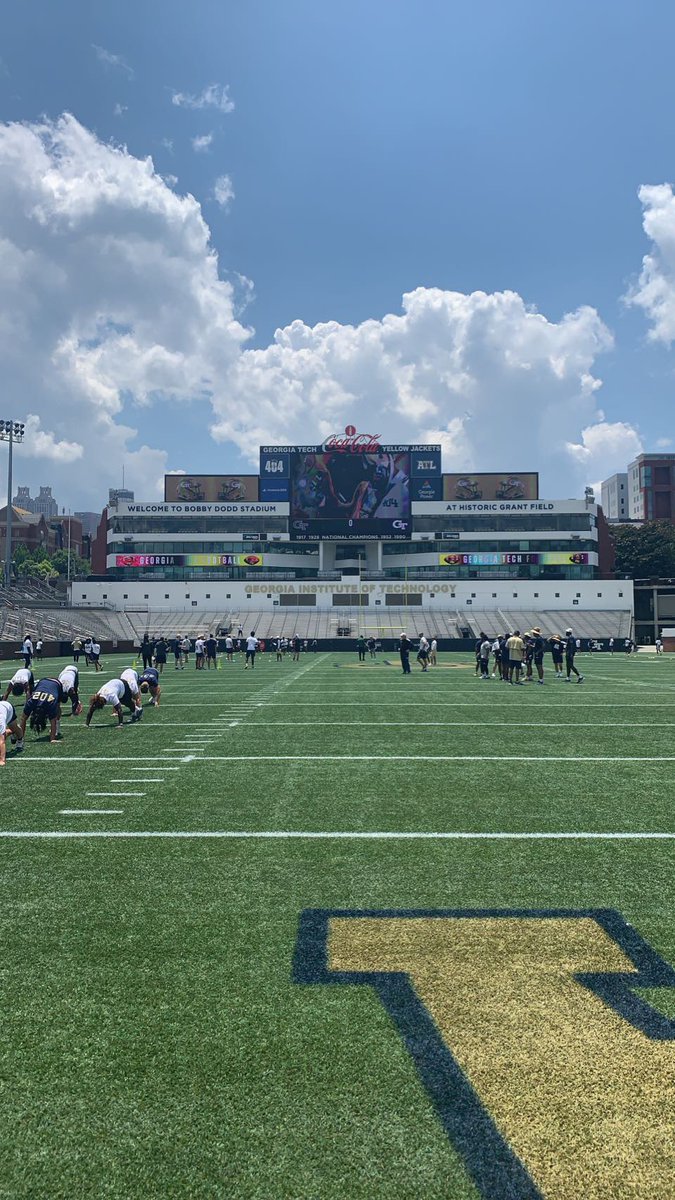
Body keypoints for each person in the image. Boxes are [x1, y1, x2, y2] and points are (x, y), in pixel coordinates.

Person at [20, 677, 63, 743]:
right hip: (44, 681)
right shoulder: (31, 702)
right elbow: (23, 719)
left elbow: (23, 719)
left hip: (56, 683)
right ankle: (57, 729)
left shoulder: (32, 702)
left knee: (57, 707)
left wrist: (20, 737)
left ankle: (57, 728)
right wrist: (52, 739)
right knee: (57, 709)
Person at [0, 699, 24, 765]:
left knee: (14, 728)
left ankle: (20, 740)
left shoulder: (1, 720)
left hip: (8, 709)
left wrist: (2, 760)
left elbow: (1, 741)